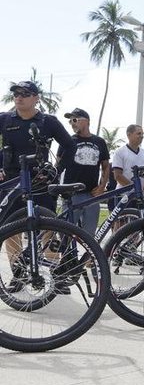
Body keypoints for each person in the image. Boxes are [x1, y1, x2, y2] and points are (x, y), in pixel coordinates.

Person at [1, 81, 75, 293]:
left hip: (41, 182)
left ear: (36, 98)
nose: (19, 97)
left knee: (49, 229)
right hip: (12, 182)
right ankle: (18, 274)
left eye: (24, 93)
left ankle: (56, 276)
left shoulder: (48, 121)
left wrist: (57, 170)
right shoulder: (4, 119)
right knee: (10, 231)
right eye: (16, 93)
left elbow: (69, 146)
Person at [58, 108, 110, 236]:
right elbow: (58, 165)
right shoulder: (68, 141)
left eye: (74, 120)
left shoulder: (99, 142)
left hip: (92, 195)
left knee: (89, 236)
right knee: (65, 234)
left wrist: (102, 186)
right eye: (70, 121)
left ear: (86, 121)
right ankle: (67, 256)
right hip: (71, 195)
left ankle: (87, 257)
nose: (72, 123)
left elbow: (106, 166)